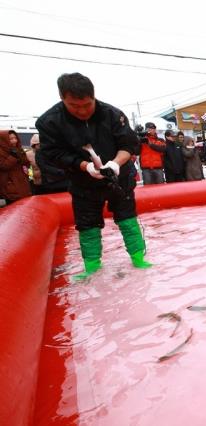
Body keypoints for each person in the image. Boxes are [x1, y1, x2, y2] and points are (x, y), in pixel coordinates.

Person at [36, 72, 151, 280]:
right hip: (82, 182)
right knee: (87, 224)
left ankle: (138, 258)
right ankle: (91, 267)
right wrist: (85, 166)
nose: (82, 111)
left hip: (119, 178)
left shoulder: (113, 114)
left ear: (93, 96)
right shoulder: (49, 122)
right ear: (62, 98)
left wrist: (115, 164)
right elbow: (52, 154)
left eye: (87, 105)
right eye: (74, 106)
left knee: (127, 218)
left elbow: (129, 144)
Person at [0, 130, 31, 205]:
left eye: (15, 138)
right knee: (13, 206)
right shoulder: (1, 152)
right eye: (11, 139)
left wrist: (22, 156)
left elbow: (26, 164)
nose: (14, 141)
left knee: (24, 204)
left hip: (22, 182)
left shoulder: (18, 149)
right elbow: (3, 166)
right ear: (4, 140)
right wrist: (13, 156)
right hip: (10, 183)